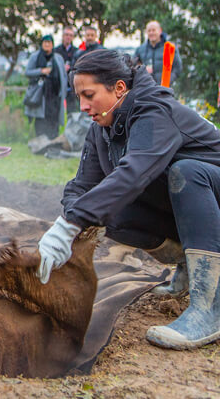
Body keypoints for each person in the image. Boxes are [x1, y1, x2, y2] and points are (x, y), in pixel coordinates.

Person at [36, 49, 220, 350]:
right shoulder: (101, 130)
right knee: (115, 215)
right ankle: (190, 266)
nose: (82, 106)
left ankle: (210, 307)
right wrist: (65, 226)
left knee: (186, 172)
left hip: (212, 196)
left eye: (89, 95)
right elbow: (82, 185)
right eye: (78, 96)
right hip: (197, 207)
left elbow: (132, 174)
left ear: (119, 88)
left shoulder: (154, 112)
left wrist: (70, 224)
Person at [24, 35, 67, 139]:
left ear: (52, 45)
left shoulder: (58, 58)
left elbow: (63, 76)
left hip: (55, 95)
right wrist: (41, 71)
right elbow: (27, 72)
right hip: (41, 95)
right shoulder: (35, 57)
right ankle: (41, 143)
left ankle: (53, 143)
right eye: (45, 42)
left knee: (54, 119)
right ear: (41, 44)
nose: (47, 44)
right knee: (41, 120)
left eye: (49, 43)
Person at [133, 20, 182, 85]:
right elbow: (132, 66)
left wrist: (168, 81)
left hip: (165, 89)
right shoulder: (140, 49)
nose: (151, 33)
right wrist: (142, 69)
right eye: (149, 31)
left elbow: (178, 68)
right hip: (146, 89)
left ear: (160, 31)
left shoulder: (170, 48)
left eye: (153, 30)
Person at [54, 26, 79, 113]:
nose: (68, 37)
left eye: (70, 35)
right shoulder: (56, 51)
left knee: (72, 111)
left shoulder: (77, 51)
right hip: (58, 85)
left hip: (71, 86)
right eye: (66, 34)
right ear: (63, 36)